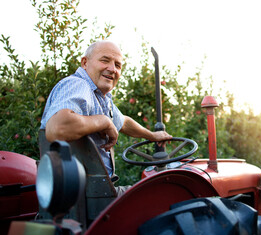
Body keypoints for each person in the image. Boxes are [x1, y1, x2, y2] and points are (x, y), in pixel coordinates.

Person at [40, 40, 172, 195]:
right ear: (85, 63)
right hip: (87, 197)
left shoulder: (100, 97)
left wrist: (152, 135)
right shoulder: (78, 85)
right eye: (105, 60)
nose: (112, 69)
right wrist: (103, 121)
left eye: (118, 65)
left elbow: (123, 122)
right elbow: (58, 128)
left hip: (91, 193)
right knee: (166, 192)